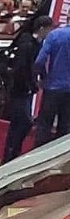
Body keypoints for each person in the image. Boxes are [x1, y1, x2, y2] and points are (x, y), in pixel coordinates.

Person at [0, 15, 51, 163]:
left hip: (23, 89)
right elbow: (22, 68)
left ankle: (11, 154)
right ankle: (10, 154)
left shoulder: (32, 42)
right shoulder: (27, 44)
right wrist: (30, 85)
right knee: (23, 122)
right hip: (20, 90)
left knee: (19, 123)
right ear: (42, 28)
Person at [34, 14, 70, 149]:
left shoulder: (54, 35)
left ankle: (38, 158)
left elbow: (39, 60)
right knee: (65, 127)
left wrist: (41, 77)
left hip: (53, 87)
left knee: (44, 125)